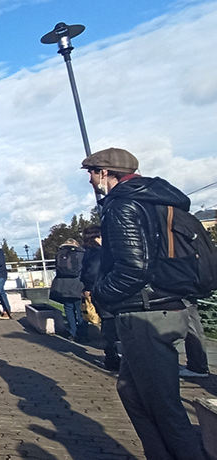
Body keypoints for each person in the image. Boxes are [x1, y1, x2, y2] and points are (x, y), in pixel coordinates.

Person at [84, 147, 205, 459]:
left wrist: (100, 293)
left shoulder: (124, 204)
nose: (90, 179)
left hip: (146, 311)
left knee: (163, 406)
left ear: (106, 173)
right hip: (165, 305)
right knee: (132, 393)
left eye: (93, 172)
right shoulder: (155, 199)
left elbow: (133, 269)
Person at [81, 225, 119, 371]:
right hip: (103, 291)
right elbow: (92, 273)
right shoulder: (97, 253)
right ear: (97, 237)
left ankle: (111, 356)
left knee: (107, 323)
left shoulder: (87, 252)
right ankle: (112, 357)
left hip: (95, 291)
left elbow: (85, 273)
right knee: (109, 323)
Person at [50, 239, 86, 342]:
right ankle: (83, 335)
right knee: (80, 310)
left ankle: (72, 333)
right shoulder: (81, 253)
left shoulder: (59, 253)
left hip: (63, 285)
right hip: (78, 284)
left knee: (69, 310)